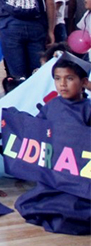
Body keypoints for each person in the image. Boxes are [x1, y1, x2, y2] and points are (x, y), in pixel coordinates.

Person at [16, 55, 91, 234]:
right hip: (56, 174)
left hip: (81, 175)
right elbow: (37, 131)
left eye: (70, 78)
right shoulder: (52, 106)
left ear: (83, 82)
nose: (62, 84)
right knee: (29, 203)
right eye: (57, 79)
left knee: (74, 208)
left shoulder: (88, 108)